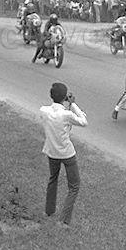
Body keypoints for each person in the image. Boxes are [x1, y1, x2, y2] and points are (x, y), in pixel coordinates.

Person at [39, 82, 88, 226]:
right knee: (74, 185)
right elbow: (84, 122)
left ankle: (49, 210)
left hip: (51, 151)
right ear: (65, 97)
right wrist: (73, 104)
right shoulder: (66, 114)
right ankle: (64, 219)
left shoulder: (44, 111)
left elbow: (49, 112)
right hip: (67, 153)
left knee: (53, 179)